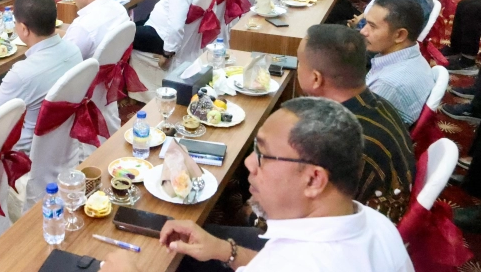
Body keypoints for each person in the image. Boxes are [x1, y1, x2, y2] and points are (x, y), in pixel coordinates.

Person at [103, 97, 413, 272]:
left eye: (263, 155)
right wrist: (225, 250)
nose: (249, 164)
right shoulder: (375, 224)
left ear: (314, 179)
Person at [297, 25, 415, 223]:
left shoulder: (340, 143)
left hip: (348, 240)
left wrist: (251, 215)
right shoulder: (375, 102)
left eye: (299, 62)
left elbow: (305, 214)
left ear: (316, 78)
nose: (297, 67)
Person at [0, 0, 82, 154]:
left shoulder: (22, 73)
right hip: (67, 139)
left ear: (24, 29)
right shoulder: (75, 51)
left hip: (27, 151)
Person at [360, 0, 433, 126]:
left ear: (400, 35)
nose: (363, 31)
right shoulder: (412, 55)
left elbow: (358, 127)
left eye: (372, 26)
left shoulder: (388, 84)